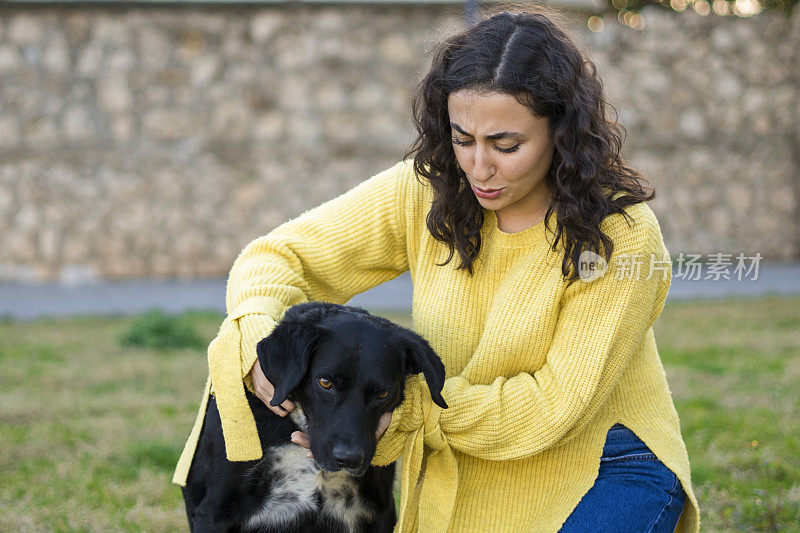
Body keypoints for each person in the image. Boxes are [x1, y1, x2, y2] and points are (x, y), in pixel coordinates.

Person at [173, 9, 700, 532]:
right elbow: (278, 256)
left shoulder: (619, 234)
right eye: (462, 138)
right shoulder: (426, 189)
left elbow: (551, 409)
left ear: (561, 131)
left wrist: (396, 414)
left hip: (609, 467)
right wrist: (262, 344)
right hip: (463, 467)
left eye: (507, 145)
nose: (478, 167)